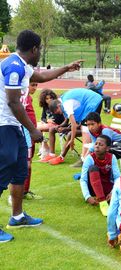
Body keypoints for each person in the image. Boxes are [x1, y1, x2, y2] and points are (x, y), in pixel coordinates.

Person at [0, 29, 83, 242]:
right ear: (35, 48)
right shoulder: (14, 67)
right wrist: (33, 129)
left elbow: (42, 76)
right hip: (3, 125)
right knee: (5, 167)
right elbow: (12, 102)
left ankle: (17, 216)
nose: (40, 52)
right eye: (40, 49)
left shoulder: (23, 65)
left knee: (20, 170)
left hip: (13, 125)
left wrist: (66, 67)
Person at [47, 88, 103, 165]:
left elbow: (74, 124)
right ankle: (86, 157)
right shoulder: (62, 100)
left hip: (93, 101)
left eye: (58, 112)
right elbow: (73, 123)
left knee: (86, 128)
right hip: (92, 101)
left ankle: (84, 158)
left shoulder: (66, 104)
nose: (60, 114)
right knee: (85, 127)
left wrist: (72, 140)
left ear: (58, 106)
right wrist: (64, 127)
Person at [80, 135, 120, 216]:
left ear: (107, 148)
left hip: (107, 188)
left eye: (101, 145)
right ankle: (103, 203)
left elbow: (117, 178)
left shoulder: (112, 157)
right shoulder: (89, 158)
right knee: (93, 168)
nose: (97, 146)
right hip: (93, 189)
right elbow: (83, 179)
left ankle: (106, 197)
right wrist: (87, 196)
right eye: (96, 144)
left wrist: (113, 192)